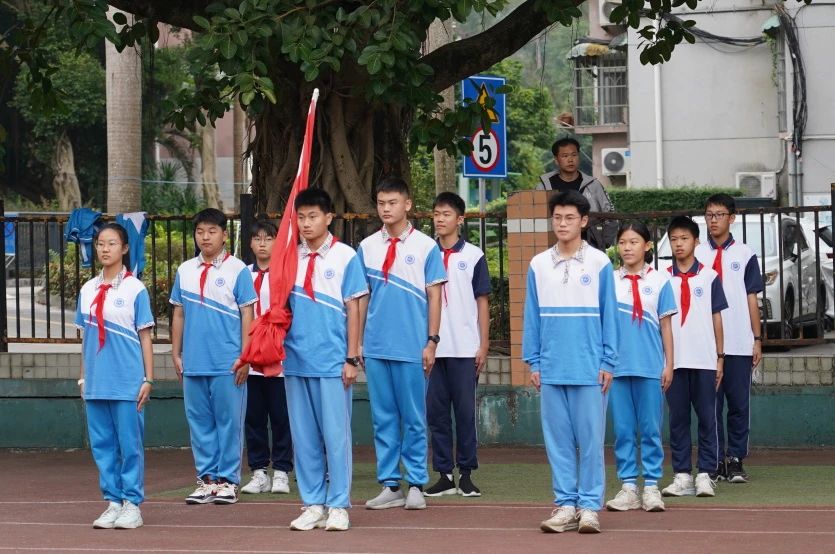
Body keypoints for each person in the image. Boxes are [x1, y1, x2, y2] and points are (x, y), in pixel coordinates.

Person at [523, 190, 618, 534]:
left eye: (569, 218)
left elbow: (610, 315)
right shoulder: (538, 265)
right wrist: (534, 362)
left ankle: (589, 507)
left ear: (584, 221)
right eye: (557, 218)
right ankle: (565, 505)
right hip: (551, 369)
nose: (562, 224)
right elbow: (531, 316)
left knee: (590, 442)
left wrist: (608, 361)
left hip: (590, 369)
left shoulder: (599, 263)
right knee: (558, 442)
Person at [357, 176, 446, 511]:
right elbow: (361, 298)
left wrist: (432, 341)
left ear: (407, 204)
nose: (386, 209)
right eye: (381, 203)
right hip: (376, 346)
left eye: (392, 203)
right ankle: (390, 484)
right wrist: (358, 343)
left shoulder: (426, 246)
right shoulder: (367, 247)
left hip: (412, 347)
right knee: (383, 418)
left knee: (413, 417)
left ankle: (417, 483)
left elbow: (435, 296)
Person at [282, 188, 369, 532]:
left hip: (333, 361)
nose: (306, 223)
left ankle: (338, 504)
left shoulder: (345, 256)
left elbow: (355, 308)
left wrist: (351, 357)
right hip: (295, 360)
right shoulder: (289, 256)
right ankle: (313, 503)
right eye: (301, 217)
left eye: (313, 216)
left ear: (329, 218)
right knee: (303, 438)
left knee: (336, 437)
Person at [169, 208, 257, 505]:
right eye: (200, 232)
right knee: (199, 423)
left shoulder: (238, 269)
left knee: (229, 423)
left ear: (224, 235)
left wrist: (245, 356)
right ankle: (206, 481)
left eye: (212, 231)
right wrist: (176, 352)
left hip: (227, 362)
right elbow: (178, 313)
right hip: (194, 362)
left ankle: (228, 481)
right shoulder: (185, 270)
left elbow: (248, 314)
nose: (205, 237)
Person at [76, 223, 155, 529]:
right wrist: (83, 378)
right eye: (100, 244)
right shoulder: (87, 289)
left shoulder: (135, 289)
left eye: (111, 243)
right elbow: (85, 337)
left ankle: (132, 504)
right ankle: (113, 502)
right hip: (97, 382)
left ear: (124, 248)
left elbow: (145, 336)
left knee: (129, 445)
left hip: (127, 382)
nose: (105, 249)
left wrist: (148, 378)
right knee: (102, 446)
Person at [605, 221, 676, 513]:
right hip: (617, 368)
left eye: (634, 242)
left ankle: (651, 487)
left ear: (647, 246)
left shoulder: (660, 281)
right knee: (623, 430)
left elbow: (666, 326)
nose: (627, 248)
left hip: (650, 366)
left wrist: (669, 364)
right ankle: (628, 487)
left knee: (650, 429)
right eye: (622, 242)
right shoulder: (609, 281)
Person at [424, 192, 491, 498]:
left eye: (446, 214)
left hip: (465, 348)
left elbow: (482, 301)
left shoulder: (474, 255)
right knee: (436, 414)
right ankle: (444, 475)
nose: (440, 219)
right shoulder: (426, 253)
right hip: (434, 350)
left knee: (465, 415)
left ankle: (466, 473)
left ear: (460, 219)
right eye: (436, 213)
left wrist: (483, 344)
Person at [695, 194, 764, 483]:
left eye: (719, 214)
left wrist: (756, 338)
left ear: (732, 218)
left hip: (738, 340)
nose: (713, 220)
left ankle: (735, 459)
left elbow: (751, 298)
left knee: (738, 404)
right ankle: (714, 460)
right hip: (706, 344)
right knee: (710, 405)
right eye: (709, 215)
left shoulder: (745, 254)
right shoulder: (697, 254)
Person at [661, 216, 728, 499]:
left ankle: (705, 474)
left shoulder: (709, 276)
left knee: (708, 418)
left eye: (684, 238)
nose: (679, 244)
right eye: (674, 239)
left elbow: (716, 318)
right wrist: (664, 362)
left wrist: (720, 357)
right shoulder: (662, 277)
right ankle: (682, 475)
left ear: (696, 241)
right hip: (674, 362)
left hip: (704, 360)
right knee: (677, 419)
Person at [240, 220, 294, 495]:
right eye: (257, 238)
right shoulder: (243, 275)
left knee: (281, 416)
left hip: (278, 357)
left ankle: (282, 471)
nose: (262, 244)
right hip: (251, 358)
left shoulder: (285, 275)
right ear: (250, 243)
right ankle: (259, 471)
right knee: (254, 417)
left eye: (268, 238)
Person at [537, 137, 617, 250]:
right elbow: (536, 217)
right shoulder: (544, 186)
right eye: (565, 156)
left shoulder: (593, 185)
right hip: (553, 247)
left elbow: (610, 215)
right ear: (556, 159)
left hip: (588, 246)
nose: (570, 159)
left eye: (574, 155)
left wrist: (604, 243)